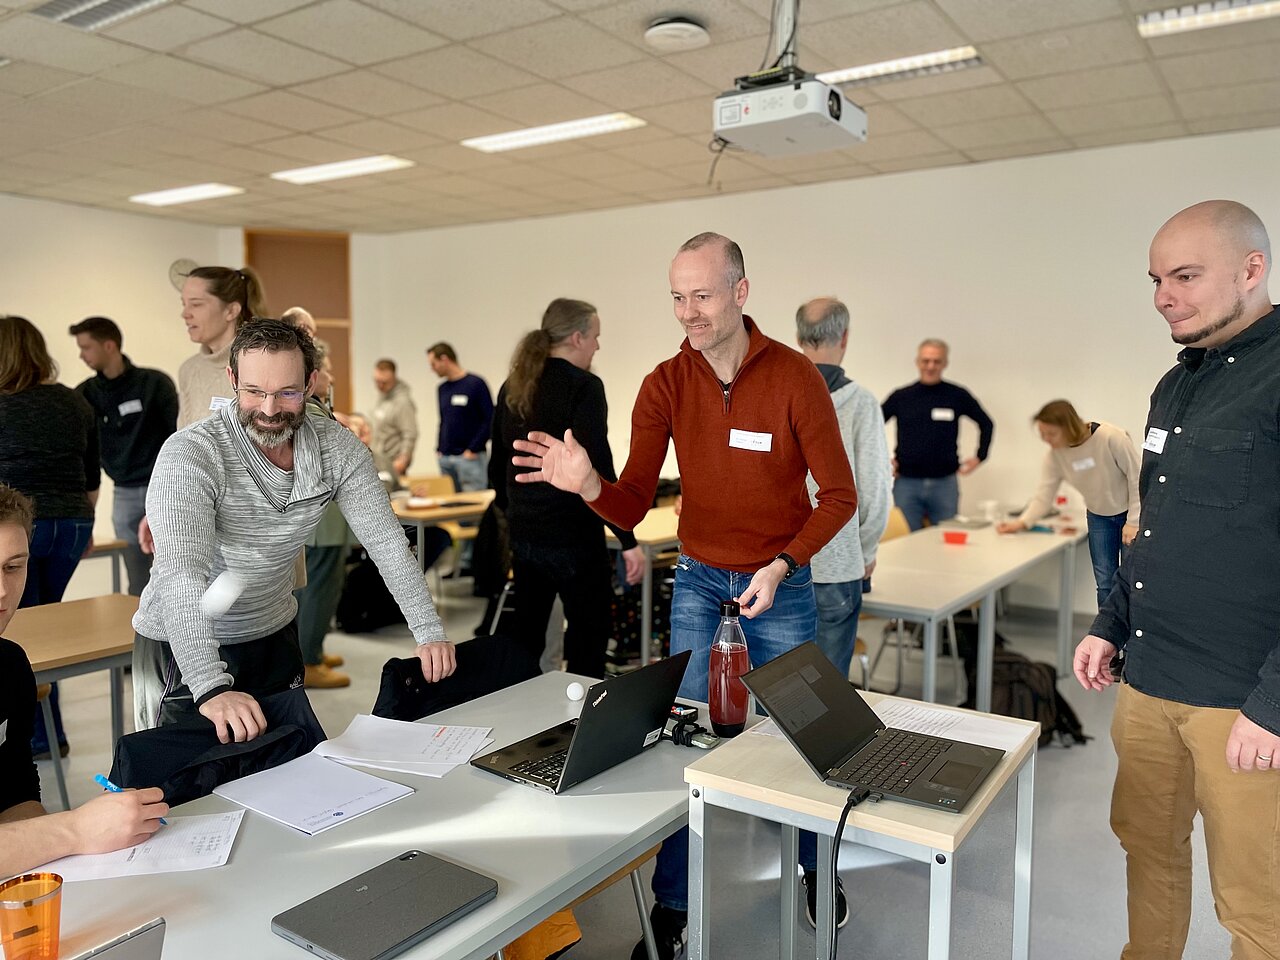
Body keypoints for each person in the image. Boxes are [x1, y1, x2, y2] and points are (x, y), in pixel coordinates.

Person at [511, 233, 856, 959]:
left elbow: (839, 496)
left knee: (802, 736)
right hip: (700, 582)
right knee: (683, 746)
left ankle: (813, 864)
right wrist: (590, 487)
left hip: (780, 584)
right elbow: (633, 503)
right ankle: (673, 904)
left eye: (702, 294)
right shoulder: (665, 382)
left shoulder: (795, 378)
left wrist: (783, 565)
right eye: (677, 296)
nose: (688, 311)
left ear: (740, 292)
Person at [1074, 200, 1280, 960]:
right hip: (1150, 681)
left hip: (1242, 701)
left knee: (1254, 902)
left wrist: (1275, 704)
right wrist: (1110, 623)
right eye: (1157, 280)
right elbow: (1153, 524)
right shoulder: (1176, 383)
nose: (1164, 296)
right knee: (1148, 852)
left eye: (1186, 276)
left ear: (1252, 270)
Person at [133, 319, 455, 741]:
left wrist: (428, 632)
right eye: (254, 392)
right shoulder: (191, 454)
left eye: (287, 392)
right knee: (193, 779)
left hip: (273, 631)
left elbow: (389, 544)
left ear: (310, 384)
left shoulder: (336, 449)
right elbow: (182, 575)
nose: (269, 410)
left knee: (290, 767)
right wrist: (209, 685)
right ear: (233, 380)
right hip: (184, 644)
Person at [0, 484, 169, 878]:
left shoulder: (10, 667)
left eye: (13, 567)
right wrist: (75, 830)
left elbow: (18, 797)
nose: (2, 591)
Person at [489, 299, 644, 678]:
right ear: (577, 337)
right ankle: (581, 711)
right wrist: (627, 540)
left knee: (527, 638)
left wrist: (515, 516)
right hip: (575, 537)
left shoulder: (514, 385)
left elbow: (497, 468)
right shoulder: (584, 386)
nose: (597, 346)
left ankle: (524, 709)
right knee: (588, 640)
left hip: (526, 537)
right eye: (595, 337)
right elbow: (599, 470)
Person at [0, 315, 99, 761]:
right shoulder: (74, 401)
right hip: (73, 523)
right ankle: (48, 732)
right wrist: (85, 522)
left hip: (20, 526)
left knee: (23, 630)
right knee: (44, 623)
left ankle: (41, 737)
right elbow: (91, 474)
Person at [795, 297, 892, 678]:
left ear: (799, 337)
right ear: (845, 337)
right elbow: (874, 485)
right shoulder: (861, 403)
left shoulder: (779, 393)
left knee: (776, 683)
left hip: (778, 564)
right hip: (837, 562)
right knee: (826, 686)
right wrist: (866, 549)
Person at [68, 316, 177, 597]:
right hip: (124, 493)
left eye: (86, 347)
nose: (81, 355)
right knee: (137, 579)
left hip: (163, 488)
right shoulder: (84, 395)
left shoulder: (155, 384)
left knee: (175, 569)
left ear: (109, 345)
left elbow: (177, 436)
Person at [996, 400, 1140, 607]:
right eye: (1042, 434)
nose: (1046, 440)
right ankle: (1108, 628)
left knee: (1130, 582)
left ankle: (1133, 629)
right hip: (1098, 517)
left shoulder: (1111, 437)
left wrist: (1134, 521)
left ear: (1068, 426)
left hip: (1130, 515)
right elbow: (1044, 496)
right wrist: (1020, 523)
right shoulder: (1056, 456)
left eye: (1051, 434)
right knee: (1105, 583)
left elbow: (1137, 478)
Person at [881, 339, 993, 530]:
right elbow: (872, 427)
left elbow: (986, 423)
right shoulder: (902, 396)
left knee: (946, 537)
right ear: (918, 362)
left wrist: (980, 456)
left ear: (945, 363)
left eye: (936, 361)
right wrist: (882, 460)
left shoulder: (957, 395)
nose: (931, 366)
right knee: (907, 541)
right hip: (907, 484)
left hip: (945, 484)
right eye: (926, 361)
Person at [292, 342, 351, 689]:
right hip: (322, 520)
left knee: (316, 586)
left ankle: (311, 650)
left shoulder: (312, 408)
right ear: (313, 377)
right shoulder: (312, 411)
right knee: (319, 588)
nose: (333, 377)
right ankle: (309, 660)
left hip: (320, 518)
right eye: (327, 370)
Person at [177, 265, 268, 428]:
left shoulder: (264, 365)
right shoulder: (188, 370)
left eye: (196, 304)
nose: (185, 314)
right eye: (184, 304)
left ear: (231, 311)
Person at [428, 342, 494, 494]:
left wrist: (473, 449)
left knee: (473, 504)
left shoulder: (475, 384)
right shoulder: (442, 389)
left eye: (433, 364)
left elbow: (489, 419)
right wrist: (440, 449)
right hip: (446, 458)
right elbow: (444, 420)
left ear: (444, 359)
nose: (432, 369)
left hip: (469, 459)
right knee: (450, 505)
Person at [371, 359, 417, 478]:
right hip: (379, 461)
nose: (380, 386)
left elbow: (410, 434)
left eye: (384, 382)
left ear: (393, 378)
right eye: (377, 381)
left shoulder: (403, 402)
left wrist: (403, 459)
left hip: (394, 463)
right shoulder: (382, 397)